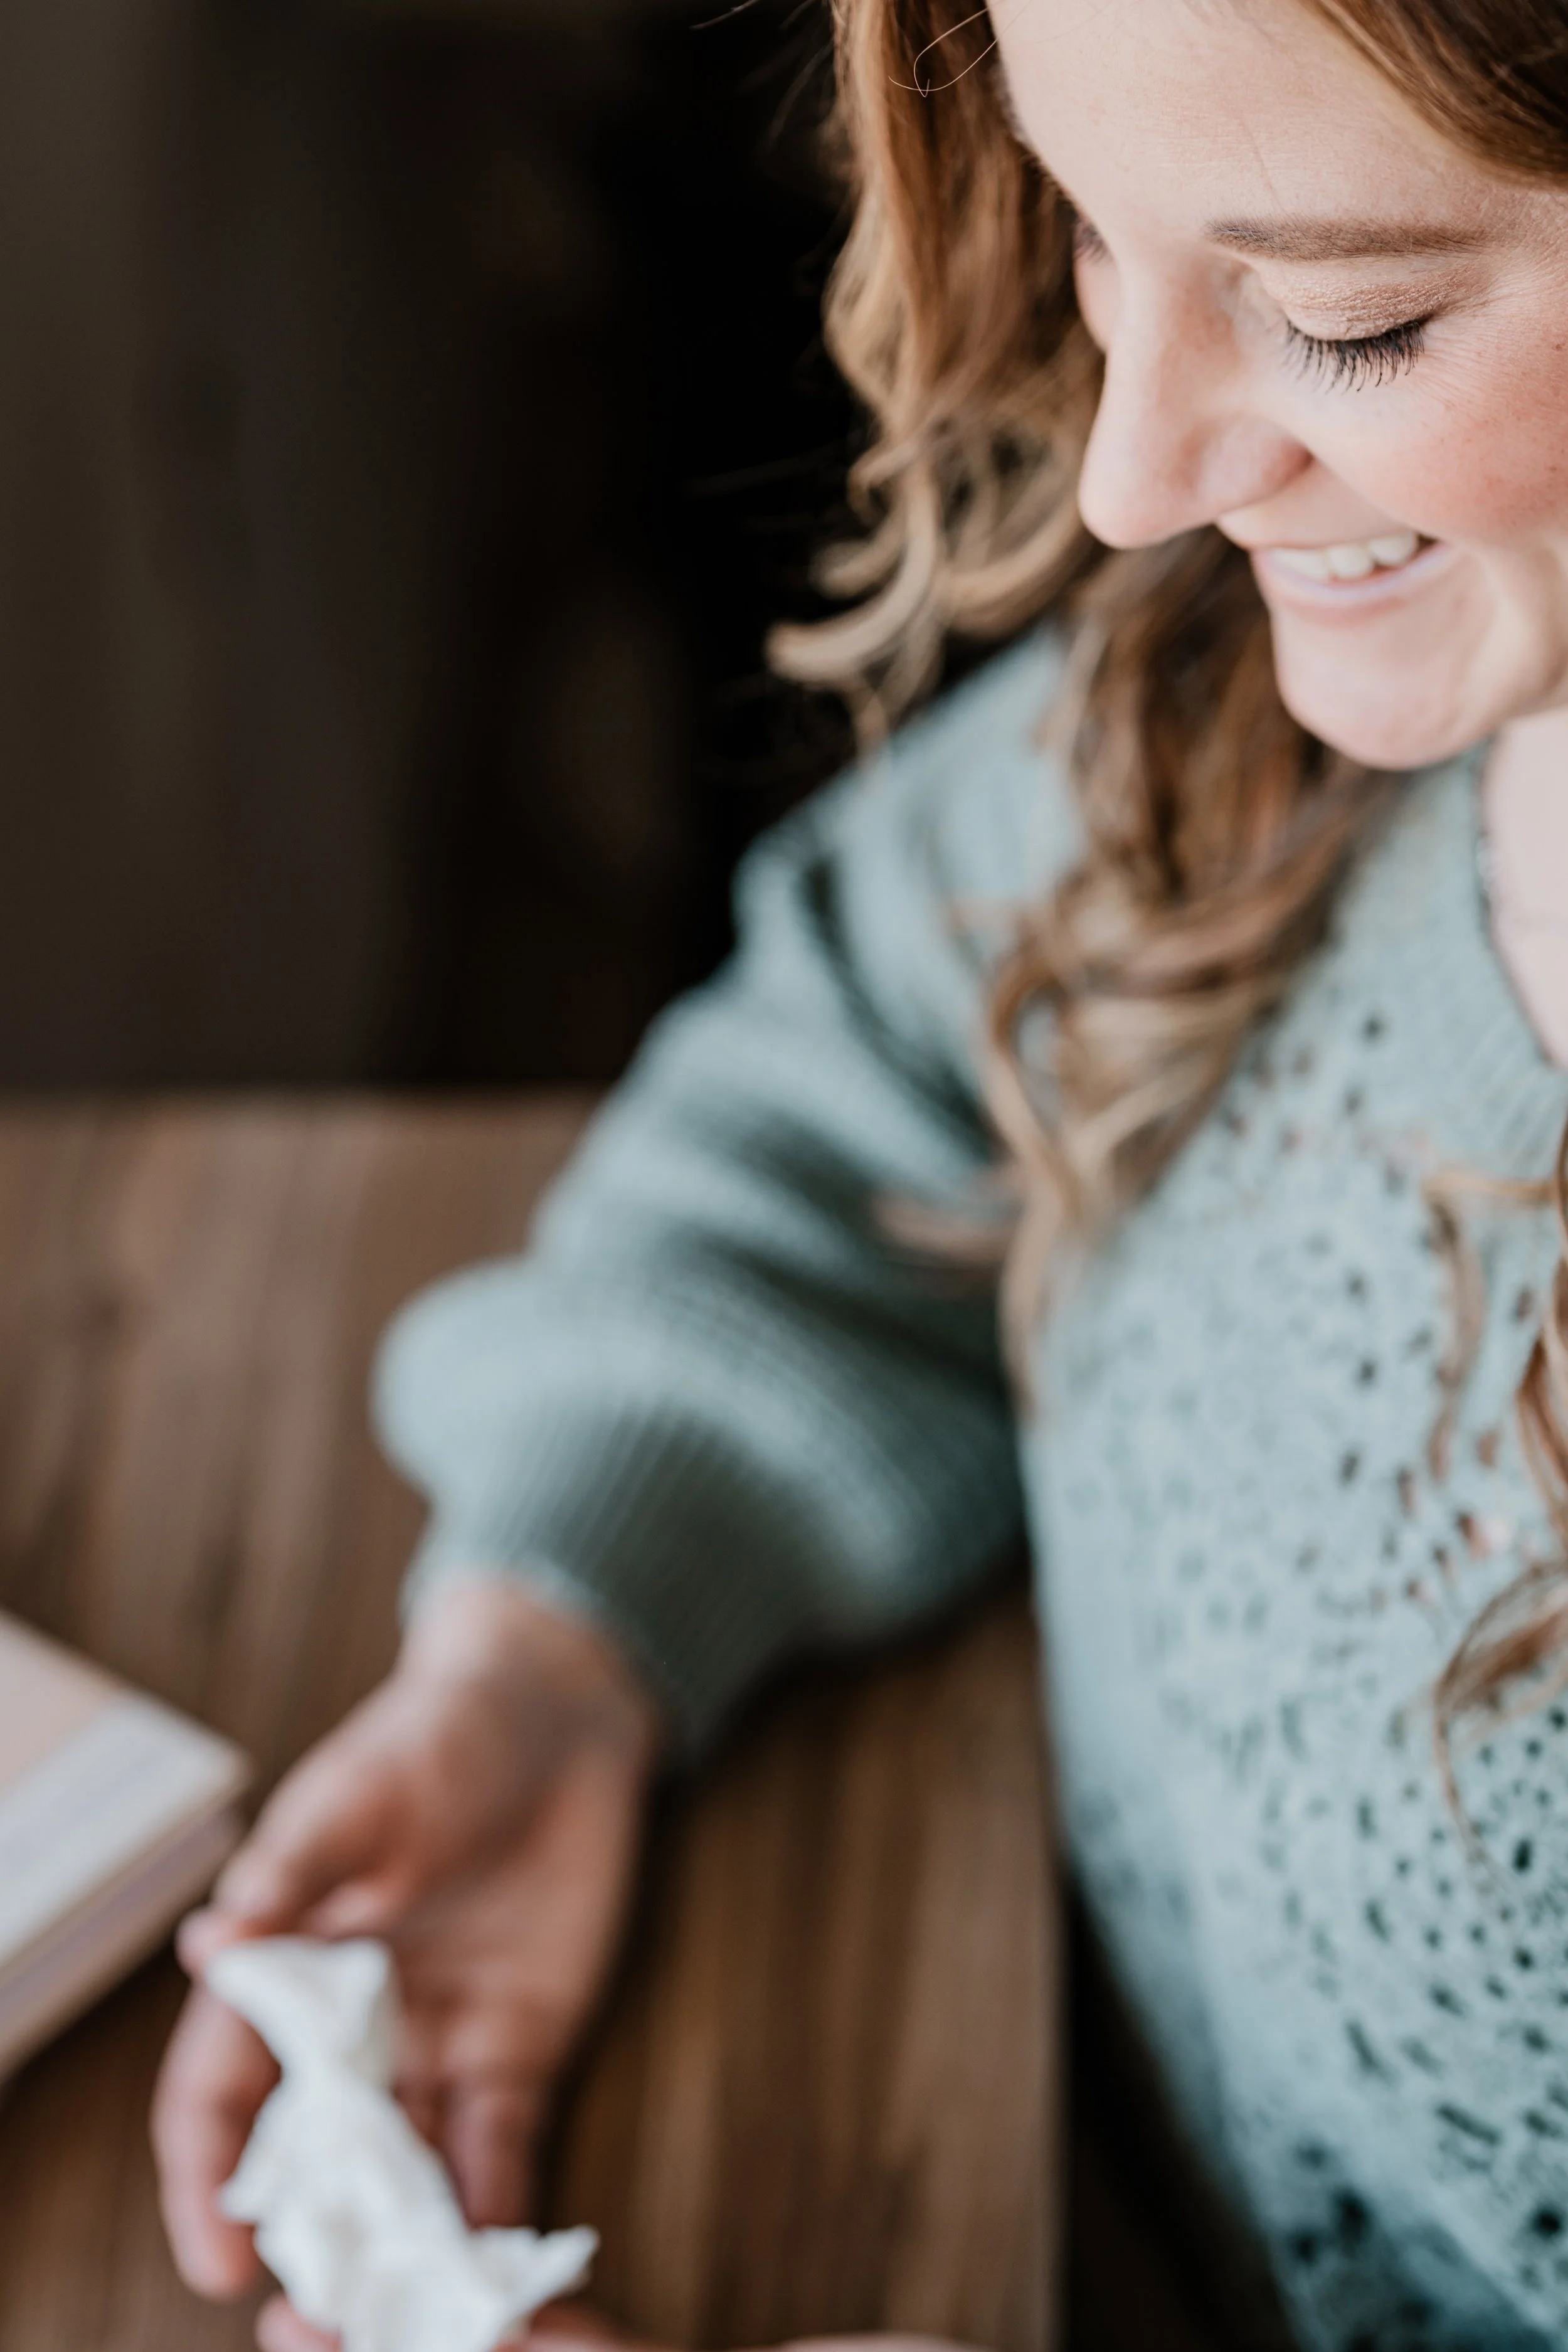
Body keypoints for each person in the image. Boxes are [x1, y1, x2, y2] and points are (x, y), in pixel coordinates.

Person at [151, 0, 1568, 2339]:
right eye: (1101, 234)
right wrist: (564, 1637)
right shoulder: (1299, 729)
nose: (1133, 475)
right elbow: (874, 1057)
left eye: (1350, 317)